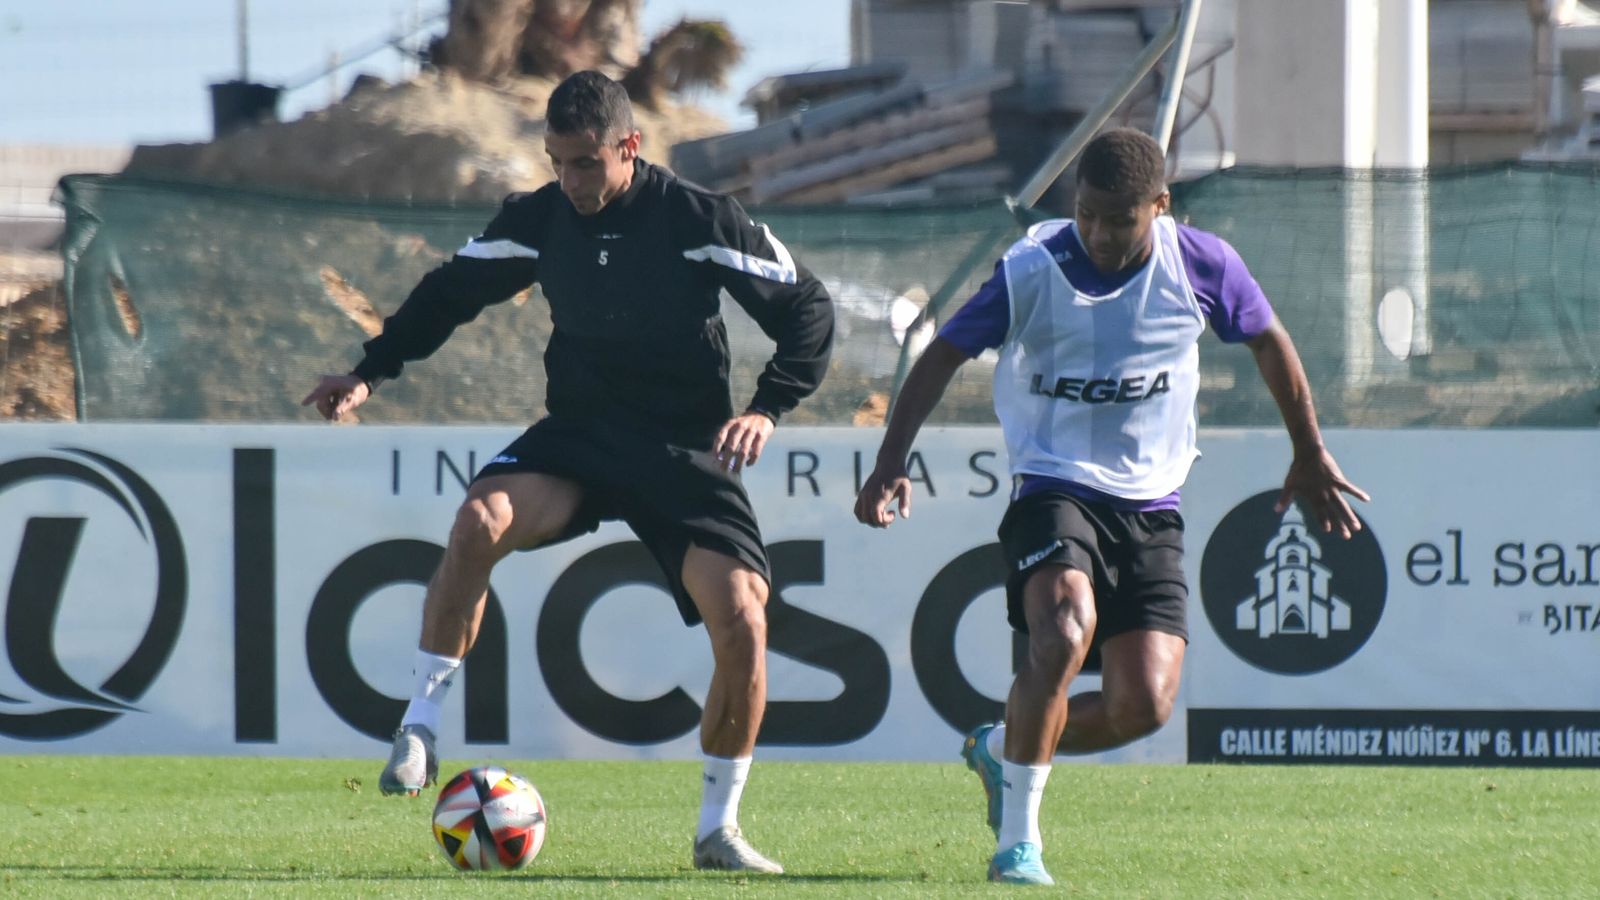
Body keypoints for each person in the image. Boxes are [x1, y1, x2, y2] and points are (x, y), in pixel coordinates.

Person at [302, 70, 833, 875]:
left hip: (682, 449)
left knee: (746, 621)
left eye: (586, 162)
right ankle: (418, 724)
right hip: (581, 437)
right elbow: (450, 294)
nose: (571, 181)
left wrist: (765, 406)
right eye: (557, 162)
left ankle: (716, 830)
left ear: (630, 146)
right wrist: (371, 372)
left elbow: (808, 308)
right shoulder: (542, 217)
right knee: (479, 520)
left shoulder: (698, 218)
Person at [853, 127, 1369, 885]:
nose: (1096, 232)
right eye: (1086, 213)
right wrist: (891, 459)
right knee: (1062, 630)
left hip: (1152, 503)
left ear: (1159, 207)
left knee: (1144, 706)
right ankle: (1017, 845)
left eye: (1118, 219)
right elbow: (943, 351)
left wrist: (1309, 448)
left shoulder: (1202, 265)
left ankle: (1000, 750)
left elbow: (1269, 340)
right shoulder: (1033, 267)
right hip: (1053, 484)